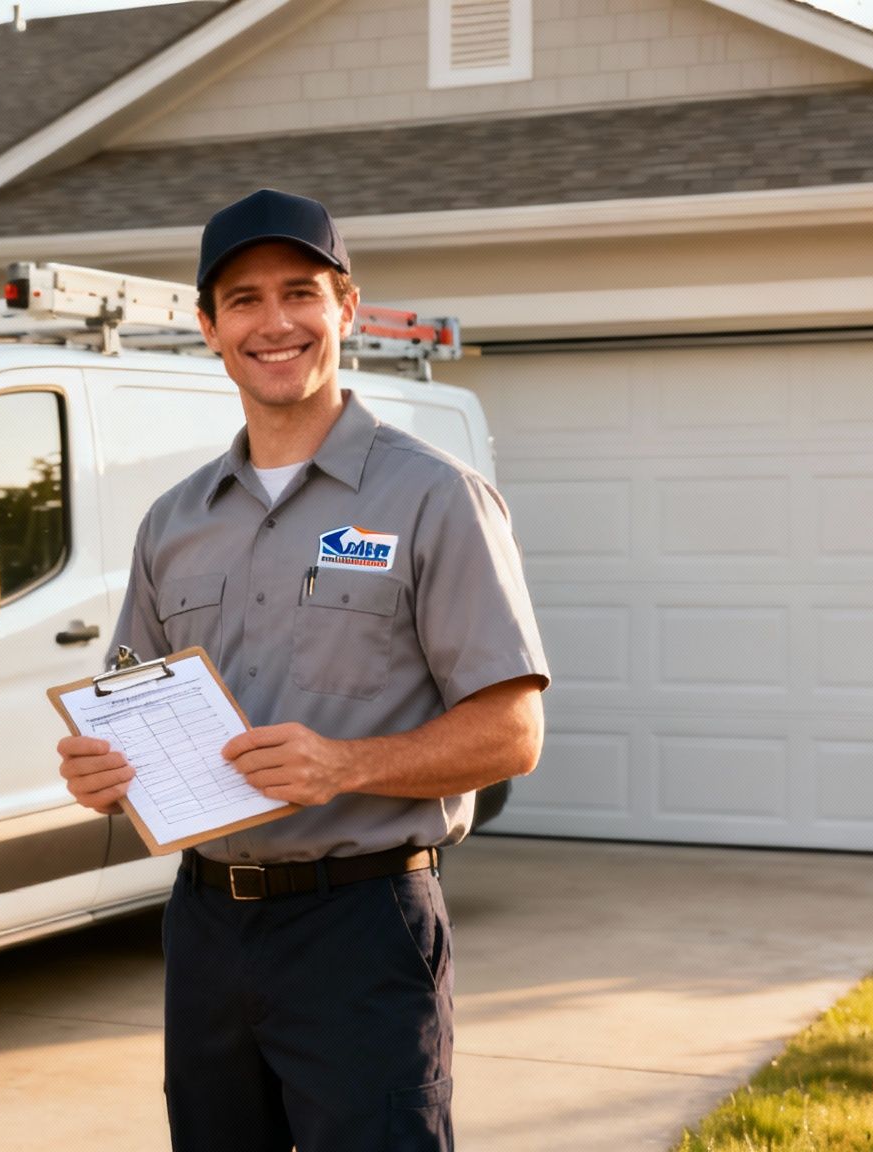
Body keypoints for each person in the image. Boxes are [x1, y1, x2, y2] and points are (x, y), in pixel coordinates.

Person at [55, 188, 550, 1152]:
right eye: (242, 300)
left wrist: (344, 766)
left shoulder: (434, 499)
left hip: (362, 927)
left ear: (346, 308)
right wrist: (96, 772)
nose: (273, 323)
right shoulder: (175, 520)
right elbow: (124, 709)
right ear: (208, 327)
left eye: (299, 293)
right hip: (206, 928)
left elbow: (514, 733)